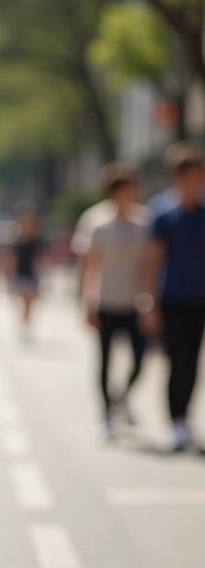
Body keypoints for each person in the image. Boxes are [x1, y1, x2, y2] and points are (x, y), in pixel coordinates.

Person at [141, 142, 205, 452]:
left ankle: (185, 417)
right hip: (170, 300)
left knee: (193, 362)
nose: (195, 182)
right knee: (176, 360)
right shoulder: (162, 213)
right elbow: (152, 261)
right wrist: (148, 303)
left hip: (199, 299)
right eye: (189, 176)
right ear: (176, 178)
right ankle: (176, 421)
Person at [81, 164, 149, 439]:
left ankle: (121, 398)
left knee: (141, 359)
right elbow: (88, 265)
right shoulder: (96, 221)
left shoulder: (145, 221)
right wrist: (86, 301)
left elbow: (151, 263)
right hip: (105, 301)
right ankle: (106, 415)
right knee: (105, 360)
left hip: (136, 302)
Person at [8, 201, 45, 337]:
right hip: (21, 275)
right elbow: (12, 261)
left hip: (33, 276)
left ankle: (26, 323)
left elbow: (42, 261)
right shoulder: (17, 241)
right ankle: (24, 323)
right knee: (24, 301)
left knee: (30, 304)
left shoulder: (38, 242)